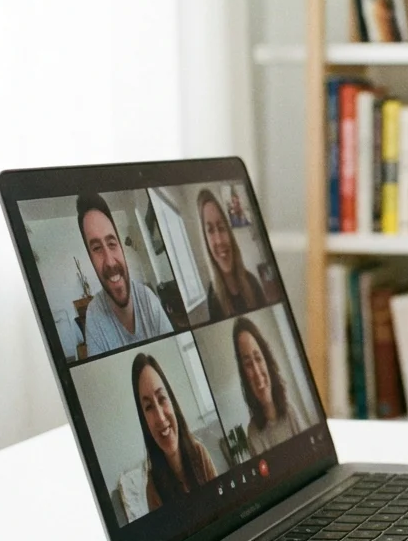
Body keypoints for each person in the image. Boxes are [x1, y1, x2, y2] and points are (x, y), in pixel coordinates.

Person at [78, 193, 173, 357]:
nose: (110, 262)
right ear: (91, 259)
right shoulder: (94, 316)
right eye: (97, 248)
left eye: (111, 243)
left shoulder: (148, 298)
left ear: (121, 247)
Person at [132, 353, 217, 511]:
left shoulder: (199, 453)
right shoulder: (153, 489)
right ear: (145, 422)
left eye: (162, 398)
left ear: (172, 402)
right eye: (149, 407)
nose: (160, 417)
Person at [234, 317, 306, 455]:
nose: (256, 372)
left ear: (266, 361)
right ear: (244, 376)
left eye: (258, 358)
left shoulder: (290, 411)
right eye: (248, 364)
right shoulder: (253, 434)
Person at [198, 189, 268, 320]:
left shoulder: (252, 281)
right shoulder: (213, 299)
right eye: (210, 231)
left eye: (221, 227)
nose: (219, 240)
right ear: (206, 241)